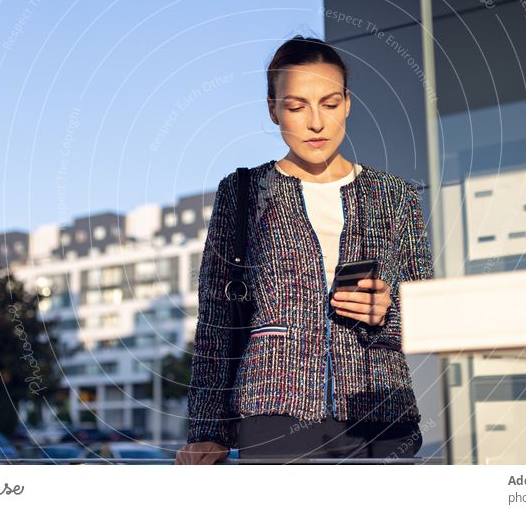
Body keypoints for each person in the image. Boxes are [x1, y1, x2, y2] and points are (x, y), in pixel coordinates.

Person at [175, 36, 434, 465]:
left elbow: (428, 314)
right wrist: (207, 431)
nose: (316, 122)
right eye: (297, 107)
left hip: (382, 412)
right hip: (274, 415)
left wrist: (388, 312)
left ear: (348, 103)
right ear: (273, 108)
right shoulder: (242, 193)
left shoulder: (396, 197)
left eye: (329, 104)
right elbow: (216, 323)